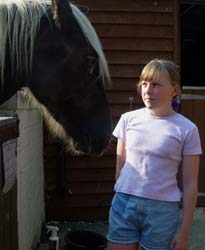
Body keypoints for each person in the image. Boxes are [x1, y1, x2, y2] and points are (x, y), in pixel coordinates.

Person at [107, 59, 202, 250]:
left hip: (162, 211)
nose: (148, 90)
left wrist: (183, 233)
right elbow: (120, 165)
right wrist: (124, 192)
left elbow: (191, 184)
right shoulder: (127, 120)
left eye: (156, 84)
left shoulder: (187, 129)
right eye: (144, 84)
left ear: (174, 91)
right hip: (124, 204)